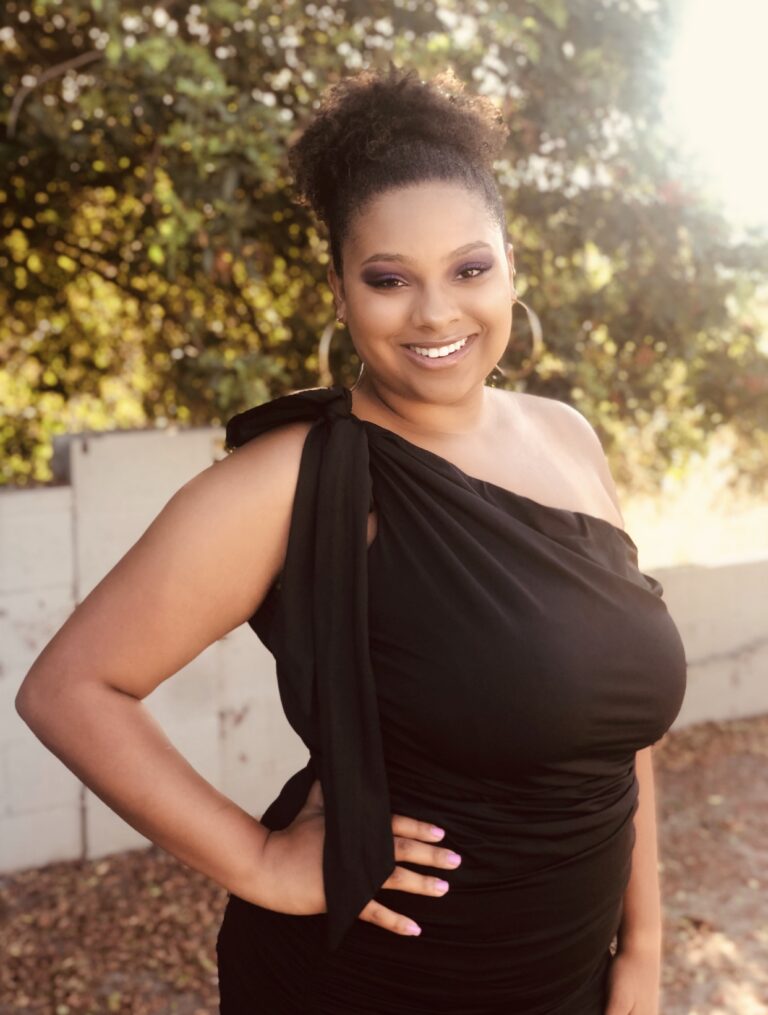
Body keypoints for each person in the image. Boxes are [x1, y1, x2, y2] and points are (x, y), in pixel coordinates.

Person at [15, 63, 688, 1015]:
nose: (436, 312)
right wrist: (260, 858)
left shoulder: (568, 437)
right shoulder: (294, 477)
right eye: (389, 279)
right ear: (339, 291)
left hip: (573, 982)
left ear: (511, 265)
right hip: (376, 985)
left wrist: (644, 950)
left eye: (469, 269)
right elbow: (69, 688)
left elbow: (617, 735)